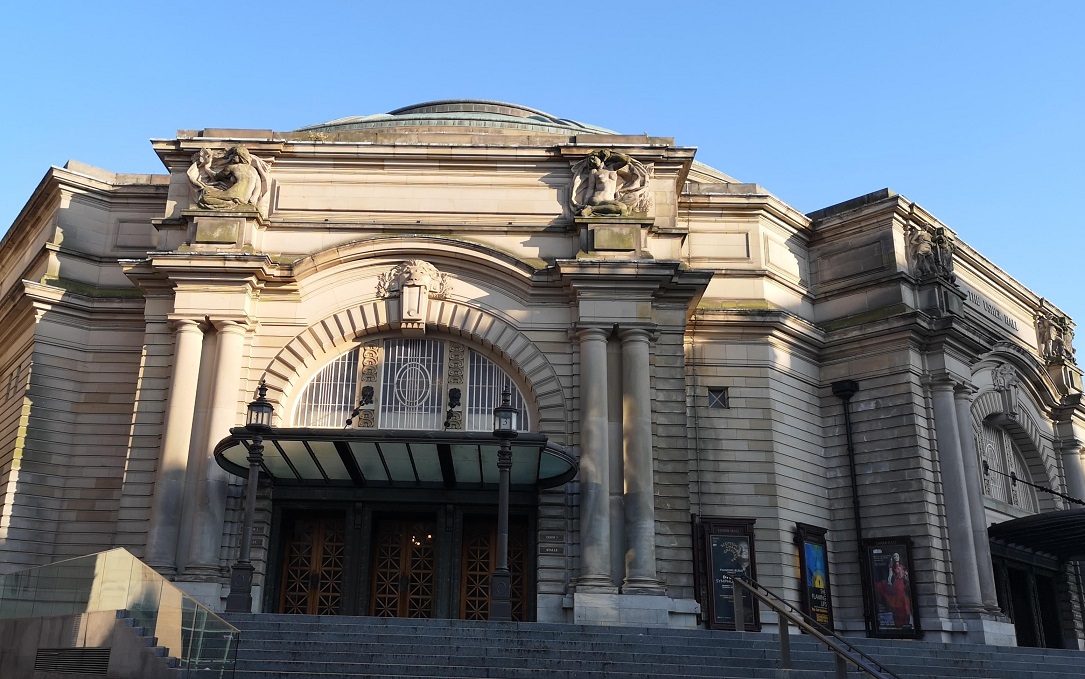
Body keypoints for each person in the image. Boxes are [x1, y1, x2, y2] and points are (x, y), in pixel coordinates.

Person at [874, 552, 912, 628]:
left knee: (904, 602)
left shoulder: (902, 566)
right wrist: (889, 582)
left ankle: (906, 621)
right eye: (894, 556)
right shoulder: (892, 567)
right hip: (897, 584)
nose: (896, 557)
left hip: (903, 584)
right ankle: (899, 622)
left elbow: (906, 575)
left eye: (897, 555)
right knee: (899, 603)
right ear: (893, 557)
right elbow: (890, 576)